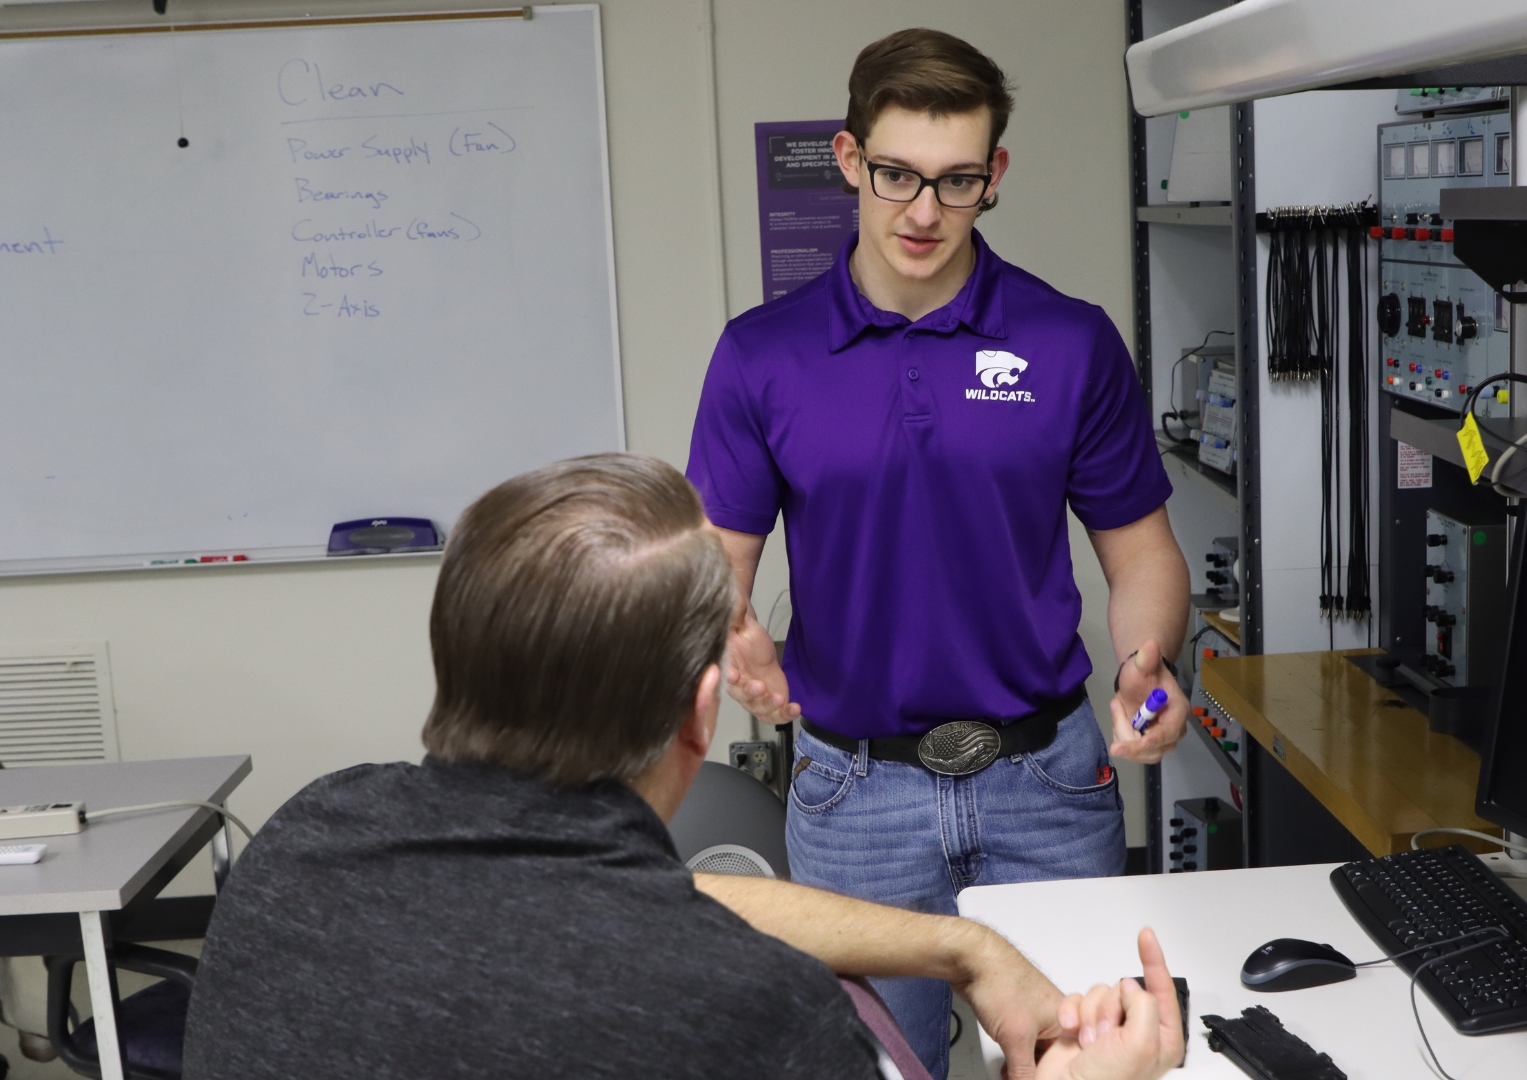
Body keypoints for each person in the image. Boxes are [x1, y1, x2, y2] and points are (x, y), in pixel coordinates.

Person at [181, 454, 1184, 1080]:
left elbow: (648, 897)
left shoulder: (309, 837)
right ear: (702, 712)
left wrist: (970, 951)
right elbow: (657, 918)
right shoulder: (750, 1013)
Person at [687, 29, 1191, 1078]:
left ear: (994, 173)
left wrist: (1147, 662)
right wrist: (735, 641)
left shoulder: (1070, 342)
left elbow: (1141, 555)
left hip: (1046, 787)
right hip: (854, 797)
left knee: (1080, 1064)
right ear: (847, 159)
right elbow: (712, 569)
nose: (923, 212)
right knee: (877, 1072)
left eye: (957, 182)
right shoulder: (761, 356)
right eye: (897, 176)